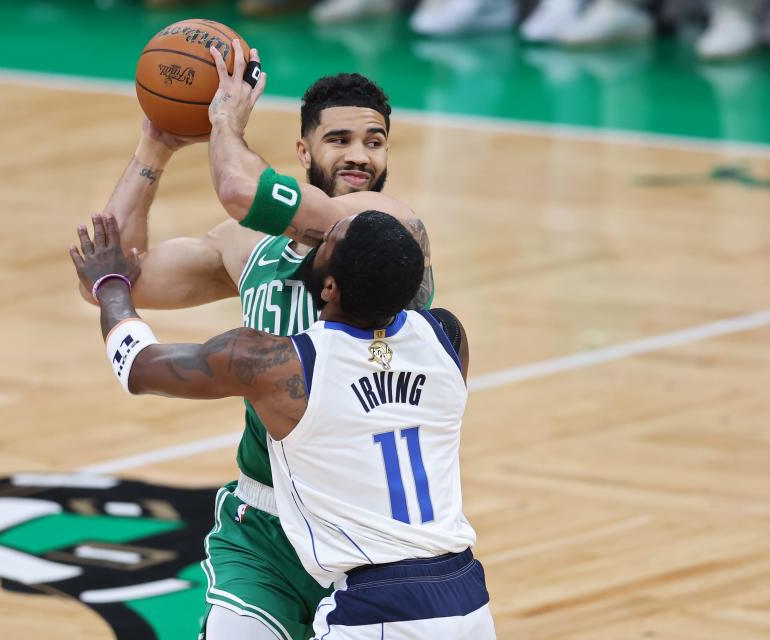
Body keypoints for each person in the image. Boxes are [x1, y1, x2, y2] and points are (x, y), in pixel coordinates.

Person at [81, 55, 434, 638]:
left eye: (375, 141)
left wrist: (224, 123)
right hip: (264, 524)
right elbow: (119, 276)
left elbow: (240, 188)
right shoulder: (248, 247)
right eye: (339, 139)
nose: (359, 155)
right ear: (303, 152)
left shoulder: (389, 226)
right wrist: (156, 143)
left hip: (366, 533)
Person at [69, 210, 495, 639]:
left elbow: (139, 367)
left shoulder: (278, 366)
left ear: (330, 286)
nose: (317, 234)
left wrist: (110, 285)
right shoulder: (447, 336)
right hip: (465, 595)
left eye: (327, 239)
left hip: (379, 607)